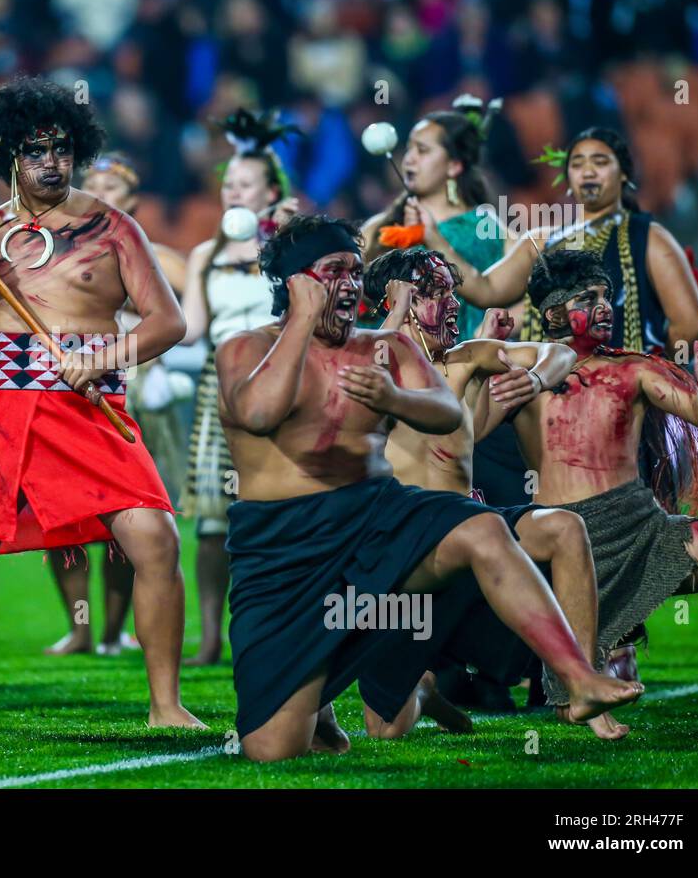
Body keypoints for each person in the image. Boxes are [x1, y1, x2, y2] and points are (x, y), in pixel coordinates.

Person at [215, 214, 642, 761]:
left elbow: (445, 412)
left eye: (354, 270)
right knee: (273, 753)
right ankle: (316, 701)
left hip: (376, 518)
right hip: (282, 553)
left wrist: (394, 399)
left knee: (483, 528)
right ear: (294, 282)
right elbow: (257, 413)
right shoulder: (244, 349)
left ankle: (578, 678)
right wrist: (301, 320)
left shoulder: (386, 347)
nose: (349, 283)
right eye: (332, 271)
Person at [0, 77, 202, 728]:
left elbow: (167, 322)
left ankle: (167, 707)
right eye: (36, 151)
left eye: (62, 149)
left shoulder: (112, 226)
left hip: (89, 408)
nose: (52, 162)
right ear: (8, 155)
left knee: (155, 540)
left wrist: (100, 359)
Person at [358, 248, 626, 739]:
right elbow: (372, 360)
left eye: (451, 291)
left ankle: (581, 689)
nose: (451, 302)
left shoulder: (466, 358)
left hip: (470, 529)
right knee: (384, 730)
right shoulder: (371, 363)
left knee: (564, 526)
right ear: (393, 303)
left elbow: (560, 352)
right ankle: (422, 691)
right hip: (402, 552)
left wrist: (534, 378)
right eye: (432, 293)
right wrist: (393, 319)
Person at [492, 250, 698, 713]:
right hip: (563, 540)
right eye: (589, 297)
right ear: (555, 312)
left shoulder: (633, 367)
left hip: (643, 530)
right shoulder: (521, 376)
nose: (605, 306)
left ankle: (598, 664)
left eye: (606, 295)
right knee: (564, 704)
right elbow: (467, 431)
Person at [43, 152, 187, 657]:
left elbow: (179, 318)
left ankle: (113, 629)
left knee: (132, 515)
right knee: (66, 517)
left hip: (138, 391)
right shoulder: (60, 249)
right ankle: (79, 627)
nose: (101, 196)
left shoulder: (155, 255)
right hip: (75, 392)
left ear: (134, 202)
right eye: (95, 186)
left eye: (113, 189)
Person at [177, 108, 301, 665]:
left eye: (245, 184)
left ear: (272, 190)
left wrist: (289, 236)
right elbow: (193, 330)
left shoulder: (289, 243)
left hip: (282, 381)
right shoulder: (205, 254)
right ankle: (209, 636)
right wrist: (128, 345)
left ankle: (278, 624)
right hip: (219, 389)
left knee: (279, 507)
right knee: (211, 519)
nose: (233, 191)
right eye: (228, 183)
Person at [413, 127, 698, 358]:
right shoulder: (543, 240)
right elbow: (486, 289)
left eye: (600, 162)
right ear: (567, 178)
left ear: (624, 174)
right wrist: (435, 239)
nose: (588, 171)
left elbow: (690, 324)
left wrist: (646, 372)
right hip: (552, 393)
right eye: (578, 164)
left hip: (624, 399)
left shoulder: (647, 237)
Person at [361, 95, 506, 340]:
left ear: (454, 166)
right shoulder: (379, 226)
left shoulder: (486, 227)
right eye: (409, 148)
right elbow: (356, 295)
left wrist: (432, 238)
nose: (409, 158)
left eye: (423, 150)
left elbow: (497, 292)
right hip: (389, 359)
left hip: (461, 360)